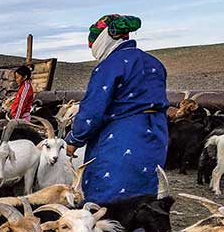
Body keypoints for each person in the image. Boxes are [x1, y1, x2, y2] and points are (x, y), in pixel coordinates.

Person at [65, 14, 168, 204]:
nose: (93, 50)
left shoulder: (110, 66)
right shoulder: (155, 63)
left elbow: (92, 110)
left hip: (122, 136)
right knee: (144, 190)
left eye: (92, 45)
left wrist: (74, 139)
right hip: (156, 135)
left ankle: (112, 231)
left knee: (110, 193)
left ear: (103, 38)